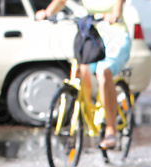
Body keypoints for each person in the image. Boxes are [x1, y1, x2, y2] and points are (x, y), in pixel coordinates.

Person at [36, 0, 131, 149]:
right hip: (94, 37)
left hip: (115, 37)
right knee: (82, 70)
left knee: (103, 72)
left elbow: (117, 9)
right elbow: (61, 1)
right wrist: (48, 12)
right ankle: (88, 113)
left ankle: (110, 129)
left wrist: (113, 15)